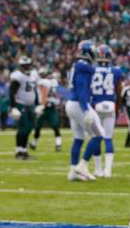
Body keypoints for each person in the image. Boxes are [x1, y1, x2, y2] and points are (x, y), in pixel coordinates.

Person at [65, 40, 106, 181]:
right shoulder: (84, 67)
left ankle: (73, 171)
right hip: (79, 104)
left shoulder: (77, 65)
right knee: (99, 135)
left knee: (79, 138)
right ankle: (82, 166)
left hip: (71, 103)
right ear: (88, 52)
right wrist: (86, 109)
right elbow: (82, 88)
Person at [90, 44, 124, 178]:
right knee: (108, 138)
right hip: (110, 105)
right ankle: (107, 170)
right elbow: (119, 91)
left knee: (96, 137)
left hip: (96, 106)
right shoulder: (116, 70)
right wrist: (118, 107)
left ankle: (98, 169)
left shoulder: (92, 69)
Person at [9, 56, 39, 160]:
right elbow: (12, 92)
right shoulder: (18, 76)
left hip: (30, 105)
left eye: (28, 65)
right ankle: (18, 151)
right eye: (25, 66)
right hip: (21, 104)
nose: (27, 67)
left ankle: (24, 151)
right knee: (23, 128)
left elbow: (34, 90)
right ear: (21, 66)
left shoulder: (33, 74)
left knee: (29, 128)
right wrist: (13, 107)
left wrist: (37, 104)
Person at [30, 67, 62, 152]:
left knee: (53, 126)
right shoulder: (52, 82)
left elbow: (45, 94)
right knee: (40, 126)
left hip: (46, 106)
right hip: (47, 106)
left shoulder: (45, 82)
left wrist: (43, 105)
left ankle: (58, 143)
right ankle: (34, 143)